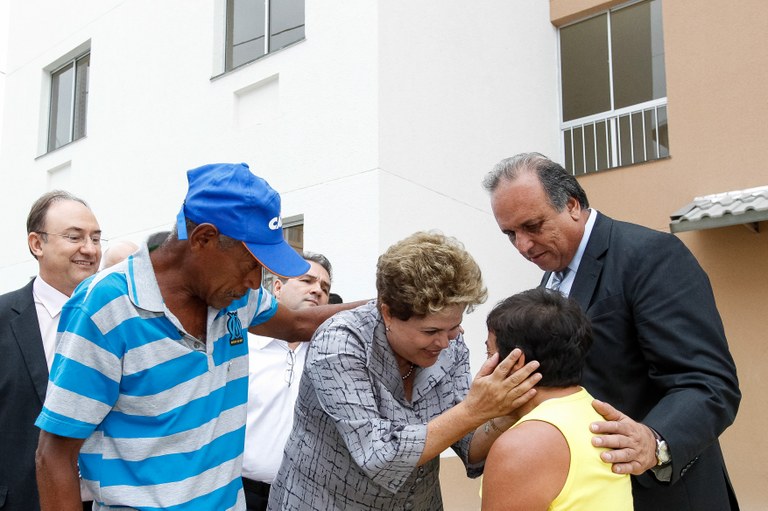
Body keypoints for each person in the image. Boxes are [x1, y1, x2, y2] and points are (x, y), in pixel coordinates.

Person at [34, 163, 362, 511]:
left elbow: (298, 322)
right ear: (203, 239)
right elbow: (53, 455)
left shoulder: (237, 298)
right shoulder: (105, 306)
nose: (255, 282)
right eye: (251, 264)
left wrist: (393, 303)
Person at [483, 152, 741, 510]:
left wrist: (655, 442)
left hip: (664, 496)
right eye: (510, 234)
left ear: (572, 205)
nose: (523, 245)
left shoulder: (651, 256)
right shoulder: (550, 276)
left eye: (533, 226)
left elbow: (709, 383)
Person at [267, 231, 542, 511]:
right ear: (388, 313)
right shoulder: (339, 342)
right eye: (431, 331)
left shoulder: (450, 344)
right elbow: (379, 455)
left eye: (454, 327)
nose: (445, 342)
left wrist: (508, 409)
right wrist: (474, 410)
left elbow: (468, 444)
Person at [481, 288, 632, 511]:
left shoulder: (524, 445)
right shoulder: (595, 411)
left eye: (489, 354)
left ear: (515, 363)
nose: (485, 368)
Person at [0, 190, 101, 511]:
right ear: (37, 244)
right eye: (75, 237)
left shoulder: (120, 318)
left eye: (96, 238)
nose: (90, 249)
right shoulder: (4, 319)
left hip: (108, 502)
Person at [242, 251, 334, 510]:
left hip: (308, 495)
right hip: (244, 493)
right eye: (307, 281)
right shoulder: (244, 349)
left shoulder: (330, 355)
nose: (317, 290)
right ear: (278, 288)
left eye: (324, 287)